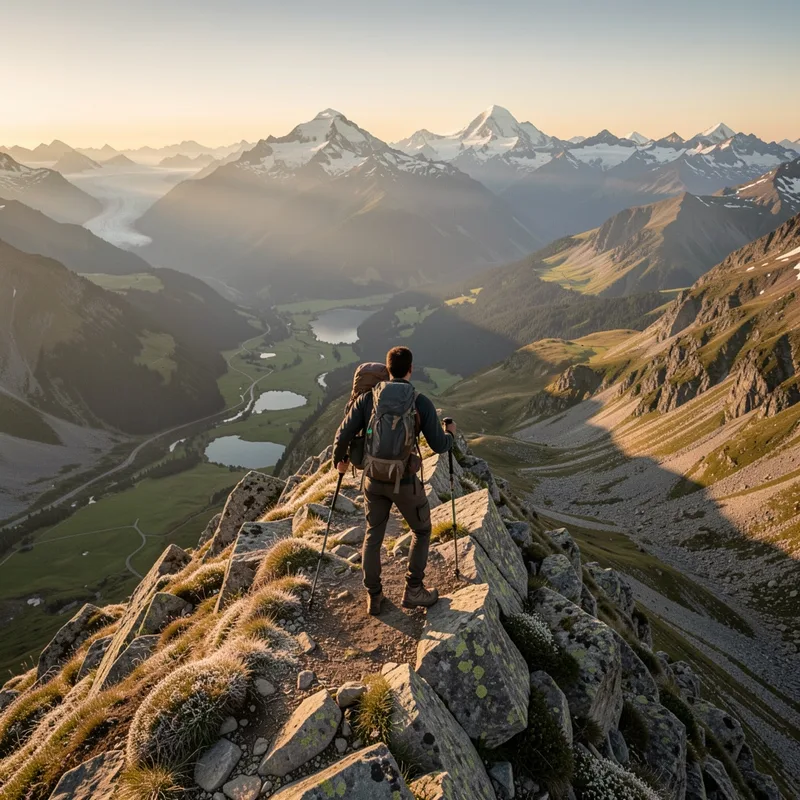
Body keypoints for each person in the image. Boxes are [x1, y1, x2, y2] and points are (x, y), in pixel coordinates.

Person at [332, 346, 456, 616]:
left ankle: (374, 596)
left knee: (373, 535)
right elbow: (439, 445)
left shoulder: (369, 399)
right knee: (421, 531)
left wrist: (338, 460)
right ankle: (413, 590)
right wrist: (451, 435)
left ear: (387, 371)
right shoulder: (419, 401)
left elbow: (343, 434)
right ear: (410, 369)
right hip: (405, 480)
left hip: (373, 479)